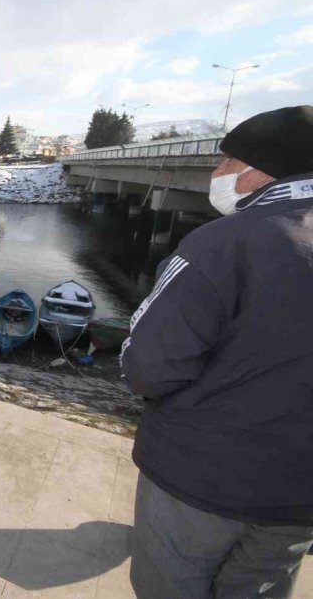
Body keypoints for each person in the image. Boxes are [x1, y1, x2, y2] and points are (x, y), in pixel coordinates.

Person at [121, 105, 313, 598]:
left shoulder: (223, 244)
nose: (216, 172)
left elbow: (150, 366)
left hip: (203, 477)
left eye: (226, 161)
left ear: (259, 171)